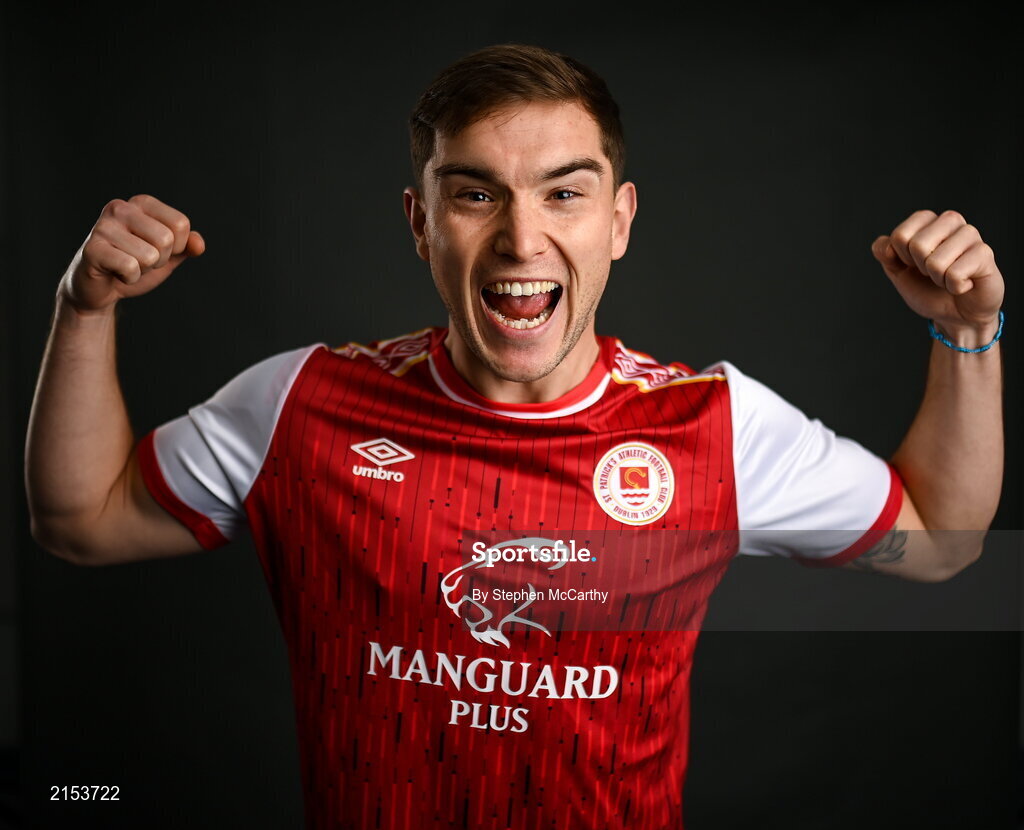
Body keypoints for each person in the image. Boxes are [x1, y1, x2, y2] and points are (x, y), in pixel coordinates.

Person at [24, 43, 1004, 830]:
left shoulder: (713, 428)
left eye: (564, 193)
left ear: (618, 221)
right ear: (421, 222)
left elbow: (942, 541)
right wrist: (84, 308)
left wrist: (967, 332)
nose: (522, 239)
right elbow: (80, 520)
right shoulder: (302, 404)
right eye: (475, 193)